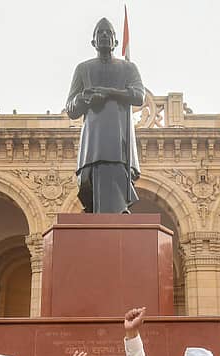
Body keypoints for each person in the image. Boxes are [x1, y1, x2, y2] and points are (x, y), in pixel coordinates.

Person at [66, 18, 145, 213]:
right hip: (93, 137)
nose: (104, 35)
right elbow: (71, 107)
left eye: (108, 33)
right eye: (99, 33)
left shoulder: (128, 68)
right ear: (93, 42)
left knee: (116, 170)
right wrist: (85, 98)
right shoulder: (83, 69)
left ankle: (117, 213)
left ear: (116, 42)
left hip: (119, 136)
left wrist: (109, 92)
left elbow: (139, 96)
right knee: (87, 179)